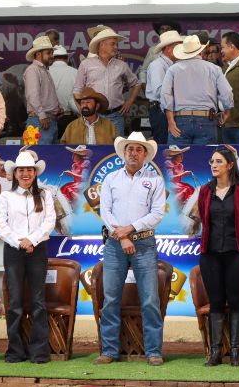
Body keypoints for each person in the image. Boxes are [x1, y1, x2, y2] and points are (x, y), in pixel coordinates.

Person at [93, 132, 166, 366]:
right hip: (115, 244)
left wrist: (130, 229)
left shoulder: (155, 180)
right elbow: (105, 212)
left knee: (150, 299)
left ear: (145, 154)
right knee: (111, 298)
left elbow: (157, 213)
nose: (133, 153)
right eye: (130, 149)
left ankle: (153, 351)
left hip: (144, 243)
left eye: (138, 149)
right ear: (124, 153)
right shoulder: (111, 179)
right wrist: (122, 236)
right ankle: (109, 351)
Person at [0, 151, 55, 364]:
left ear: (35, 173)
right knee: (15, 302)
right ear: (15, 173)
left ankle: (39, 352)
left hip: (37, 250)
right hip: (13, 251)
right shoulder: (6, 196)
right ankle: (15, 351)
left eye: (29, 170)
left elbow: (49, 222)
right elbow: (1, 225)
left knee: (38, 301)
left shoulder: (45, 195)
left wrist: (31, 240)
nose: (25, 173)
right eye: (21, 170)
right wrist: (19, 242)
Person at [196, 146, 239, 367]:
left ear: (230, 165)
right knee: (216, 302)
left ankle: (236, 352)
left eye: (219, 161)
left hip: (237, 254)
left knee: (236, 300)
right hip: (210, 255)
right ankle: (216, 352)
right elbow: (204, 220)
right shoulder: (205, 191)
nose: (214, 165)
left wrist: (238, 240)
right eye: (212, 161)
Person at [161, 34, 234, 145]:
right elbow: (227, 92)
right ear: (201, 51)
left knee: (177, 155)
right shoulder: (214, 69)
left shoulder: (173, 69)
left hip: (180, 119)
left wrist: (170, 121)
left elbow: (165, 94)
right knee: (204, 155)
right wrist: (227, 111)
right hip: (206, 119)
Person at [73, 27, 142, 135]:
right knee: (94, 144)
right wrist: (83, 112)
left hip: (116, 115)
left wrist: (129, 102)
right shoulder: (86, 64)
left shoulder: (121, 65)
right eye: (113, 44)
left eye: (116, 44)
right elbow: (77, 90)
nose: (116, 47)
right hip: (94, 115)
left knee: (117, 145)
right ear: (102, 45)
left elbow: (137, 84)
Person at [146, 30, 185, 144]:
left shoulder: (173, 65)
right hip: (160, 111)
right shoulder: (158, 65)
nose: (181, 49)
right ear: (169, 49)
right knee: (163, 143)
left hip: (168, 109)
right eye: (178, 46)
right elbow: (159, 91)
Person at [24, 36, 61, 144]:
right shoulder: (33, 70)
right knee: (40, 152)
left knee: (45, 153)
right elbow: (32, 95)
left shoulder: (43, 70)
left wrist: (57, 108)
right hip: (40, 120)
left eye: (51, 53)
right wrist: (41, 115)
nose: (52, 56)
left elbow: (46, 94)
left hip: (45, 120)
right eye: (48, 53)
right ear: (38, 54)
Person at [49, 45, 79, 137]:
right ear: (67, 59)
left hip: (48, 118)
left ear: (52, 58)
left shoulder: (46, 72)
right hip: (70, 117)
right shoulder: (75, 72)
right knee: (71, 144)